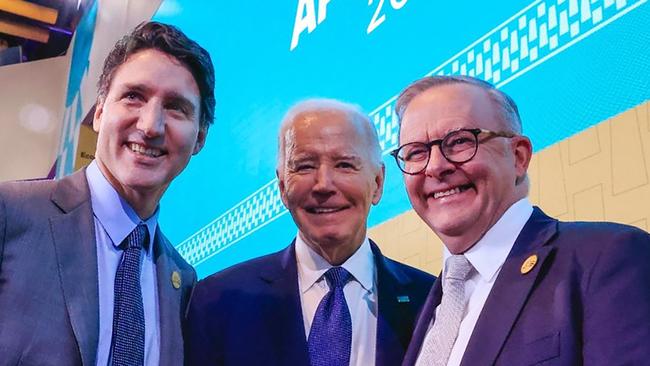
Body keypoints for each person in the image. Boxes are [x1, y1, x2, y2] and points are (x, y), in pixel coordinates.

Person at [391, 75, 650, 366]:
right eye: (416, 152)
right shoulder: (422, 306)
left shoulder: (608, 258)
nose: (436, 166)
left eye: (460, 141)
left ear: (518, 156)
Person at [0, 21, 215, 365]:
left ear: (199, 139)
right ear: (100, 112)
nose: (150, 126)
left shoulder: (184, 283)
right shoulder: (11, 214)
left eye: (176, 107)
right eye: (134, 96)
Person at [185, 99, 435, 366]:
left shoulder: (431, 302)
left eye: (345, 165)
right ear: (282, 187)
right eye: (304, 166)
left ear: (377, 183)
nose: (324, 185)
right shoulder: (218, 300)